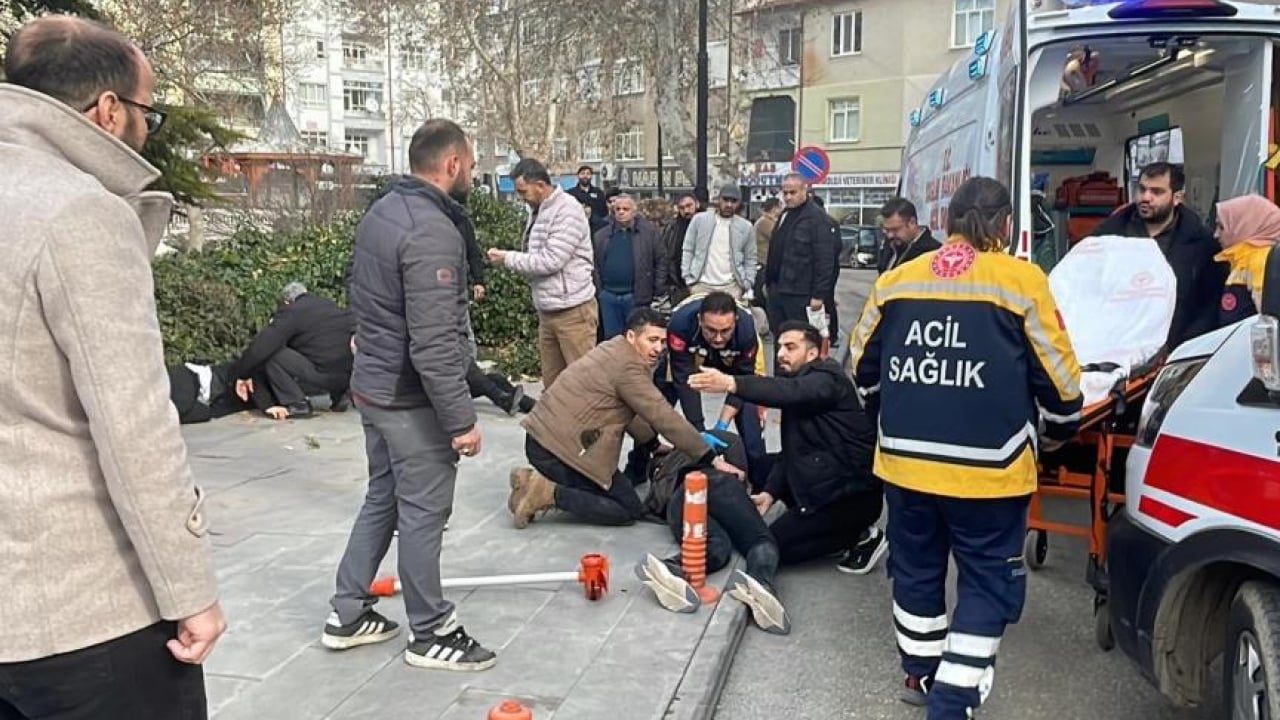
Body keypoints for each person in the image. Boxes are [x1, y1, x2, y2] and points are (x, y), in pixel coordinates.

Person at [0, 16, 225, 718]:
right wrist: (191, 591)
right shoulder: (79, 213)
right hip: (80, 614)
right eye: (147, 114)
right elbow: (133, 427)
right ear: (108, 111)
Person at [847, 176, 1083, 718]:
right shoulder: (1021, 282)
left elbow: (861, 368)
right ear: (1004, 225)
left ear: (946, 220)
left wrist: (897, 411)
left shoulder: (897, 280)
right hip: (990, 471)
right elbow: (1063, 388)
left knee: (915, 571)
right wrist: (1057, 431)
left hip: (905, 466)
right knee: (985, 581)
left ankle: (921, 671)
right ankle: (952, 701)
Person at [325, 119, 496, 672]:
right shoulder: (431, 231)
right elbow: (433, 342)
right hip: (407, 397)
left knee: (384, 497)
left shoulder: (383, 212)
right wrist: (461, 419)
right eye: (469, 165)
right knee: (423, 512)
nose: (471, 174)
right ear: (451, 164)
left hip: (375, 387)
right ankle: (431, 631)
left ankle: (347, 612)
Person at [507, 308, 739, 528]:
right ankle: (545, 491)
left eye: (662, 341)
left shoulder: (613, 348)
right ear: (631, 336)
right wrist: (710, 457)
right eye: (651, 340)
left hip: (544, 438)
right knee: (625, 509)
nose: (658, 348)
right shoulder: (629, 369)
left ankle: (535, 481)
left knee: (620, 492)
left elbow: (630, 412)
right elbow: (663, 416)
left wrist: (652, 444)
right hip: (557, 451)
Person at [690, 321, 887, 574]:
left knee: (771, 548)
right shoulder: (800, 384)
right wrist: (770, 494)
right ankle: (814, 521)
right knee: (760, 465)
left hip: (848, 496)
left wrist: (730, 383)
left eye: (790, 347)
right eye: (780, 346)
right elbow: (791, 451)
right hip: (822, 476)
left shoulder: (827, 379)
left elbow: (791, 391)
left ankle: (859, 536)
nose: (781, 353)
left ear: (813, 353)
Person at [634, 432, 790, 635]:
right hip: (719, 483)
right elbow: (739, 466)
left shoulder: (662, 482)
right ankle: (761, 583)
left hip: (682, 499)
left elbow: (653, 510)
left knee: (716, 547)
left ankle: (670, 568)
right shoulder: (712, 440)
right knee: (759, 540)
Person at [489, 158, 598, 389]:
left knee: (585, 386)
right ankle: (555, 426)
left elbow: (551, 261)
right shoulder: (539, 209)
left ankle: (601, 426)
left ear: (540, 185)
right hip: (549, 309)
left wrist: (507, 258)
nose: (521, 197)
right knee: (553, 386)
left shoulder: (567, 209)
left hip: (573, 310)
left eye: (523, 191)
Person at [1094, 162, 1224, 349]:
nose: (1145, 197)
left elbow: (1209, 305)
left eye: (1156, 192)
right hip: (1116, 348)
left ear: (1177, 197)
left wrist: (1187, 347)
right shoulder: (1108, 234)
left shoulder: (1202, 243)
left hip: (1175, 350)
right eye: (1142, 189)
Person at [656, 291, 768, 488]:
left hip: (735, 362)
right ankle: (637, 465)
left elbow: (742, 384)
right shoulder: (679, 324)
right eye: (711, 330)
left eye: (725, 330)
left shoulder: (746, 329)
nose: (717, 338)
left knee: (751, 422)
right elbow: (684, 380)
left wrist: (720, 428)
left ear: (735, 322)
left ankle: (760, 485)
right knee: (655, 402)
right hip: (691, 354)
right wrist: (698, 432)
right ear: (699, 320)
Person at [228, 282, 355, 418]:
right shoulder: (329, 305)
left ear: (287, 301)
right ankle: (340, 397)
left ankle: (297, 403)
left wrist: (239, 373)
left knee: (273, 354)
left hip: (321, 375)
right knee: (328, 350)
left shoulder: (292, 311)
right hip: (346, 376)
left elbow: (262, 346)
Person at [764, 173, 838, 332]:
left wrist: (819, 296)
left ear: (805, 190)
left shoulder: (817, 219)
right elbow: (776, 249)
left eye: (793, 192)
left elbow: (825, 260)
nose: (788, 197)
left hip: (800, 294)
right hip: (778, 291)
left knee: (799, 341)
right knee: (781, 340)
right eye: (785, 193)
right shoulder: (785, 214)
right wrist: (768, 282)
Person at [593, 193, 667, 338]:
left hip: (636, 297)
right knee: (612, 342)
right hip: (608, 297)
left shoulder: (649, 232)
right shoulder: (601, 235)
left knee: (637, 339)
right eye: (617, 209)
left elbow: (661, 260)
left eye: (625, 209)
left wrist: (657, 288)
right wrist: (600, 292)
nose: (621, 212)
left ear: (634, 211)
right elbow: (594, 265)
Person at [1213, 194, 1280, 326]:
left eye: (1221, 227)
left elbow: (1268, 321)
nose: (1215, 234)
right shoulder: (1243, 259)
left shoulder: (1260, 263)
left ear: (1245, 227)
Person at [681, 183, 757, 300]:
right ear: (718, 199)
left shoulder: (746, 227)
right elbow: (688, 249)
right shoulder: (699, 220)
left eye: (734, 201)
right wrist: (688, 279)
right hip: (700, 284)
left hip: (732, 287)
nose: (729, 204)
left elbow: (750, 258)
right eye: (725, 200)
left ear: (739, 203)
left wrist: (746, 284)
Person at [878, 197, 941, 273]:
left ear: (912, 223)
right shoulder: (889, 247)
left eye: (895, 229)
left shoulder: (934, 253)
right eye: (887, 230)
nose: (890, 235)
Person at [660, 193, 700, 306]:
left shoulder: (707, 225)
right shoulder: (671, 229)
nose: (686, 210)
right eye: (682, 208)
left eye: (689, 206)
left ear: (697, 204)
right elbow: (666, 256)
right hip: (678, 285)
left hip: (702, 283)